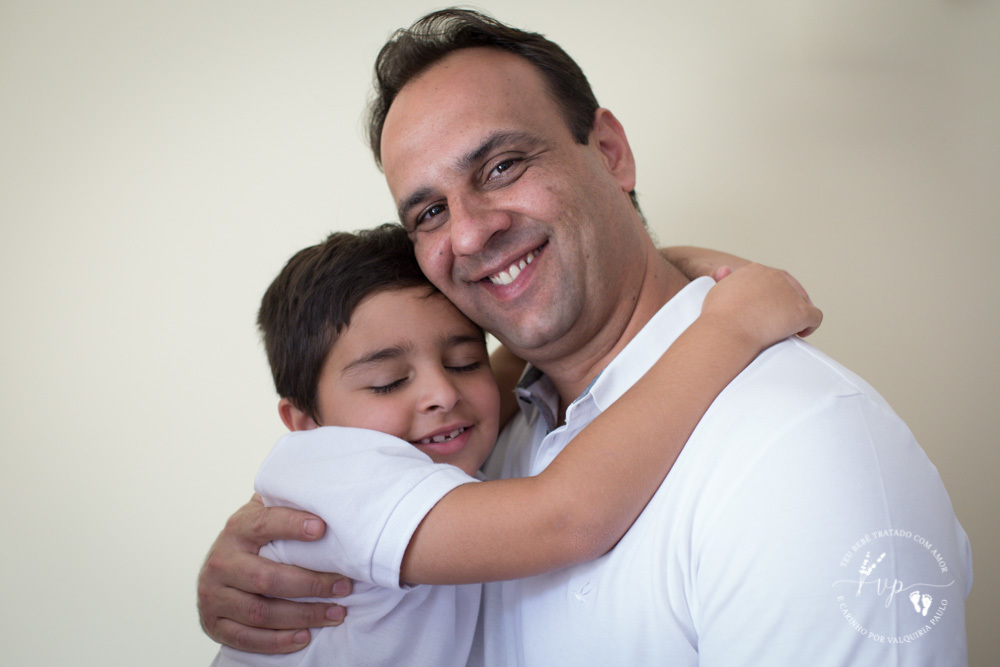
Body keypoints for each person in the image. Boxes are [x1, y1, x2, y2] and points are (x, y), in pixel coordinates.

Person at [199, 9, 972, 665]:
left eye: (502, 165)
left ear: (609, 152)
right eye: (429, 212)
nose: (468, 234)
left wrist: (719, 310)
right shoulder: (484, 433)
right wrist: (259, 545)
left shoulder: (801, 446)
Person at [211, 223, 819, 666]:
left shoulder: (436, 430)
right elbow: (564, 516)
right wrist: (729, 328)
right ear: (304, 422)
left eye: (464, 360)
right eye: (388, 381)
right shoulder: (334, 471)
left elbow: (519, 350)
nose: (440, 394)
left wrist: (664, 264)